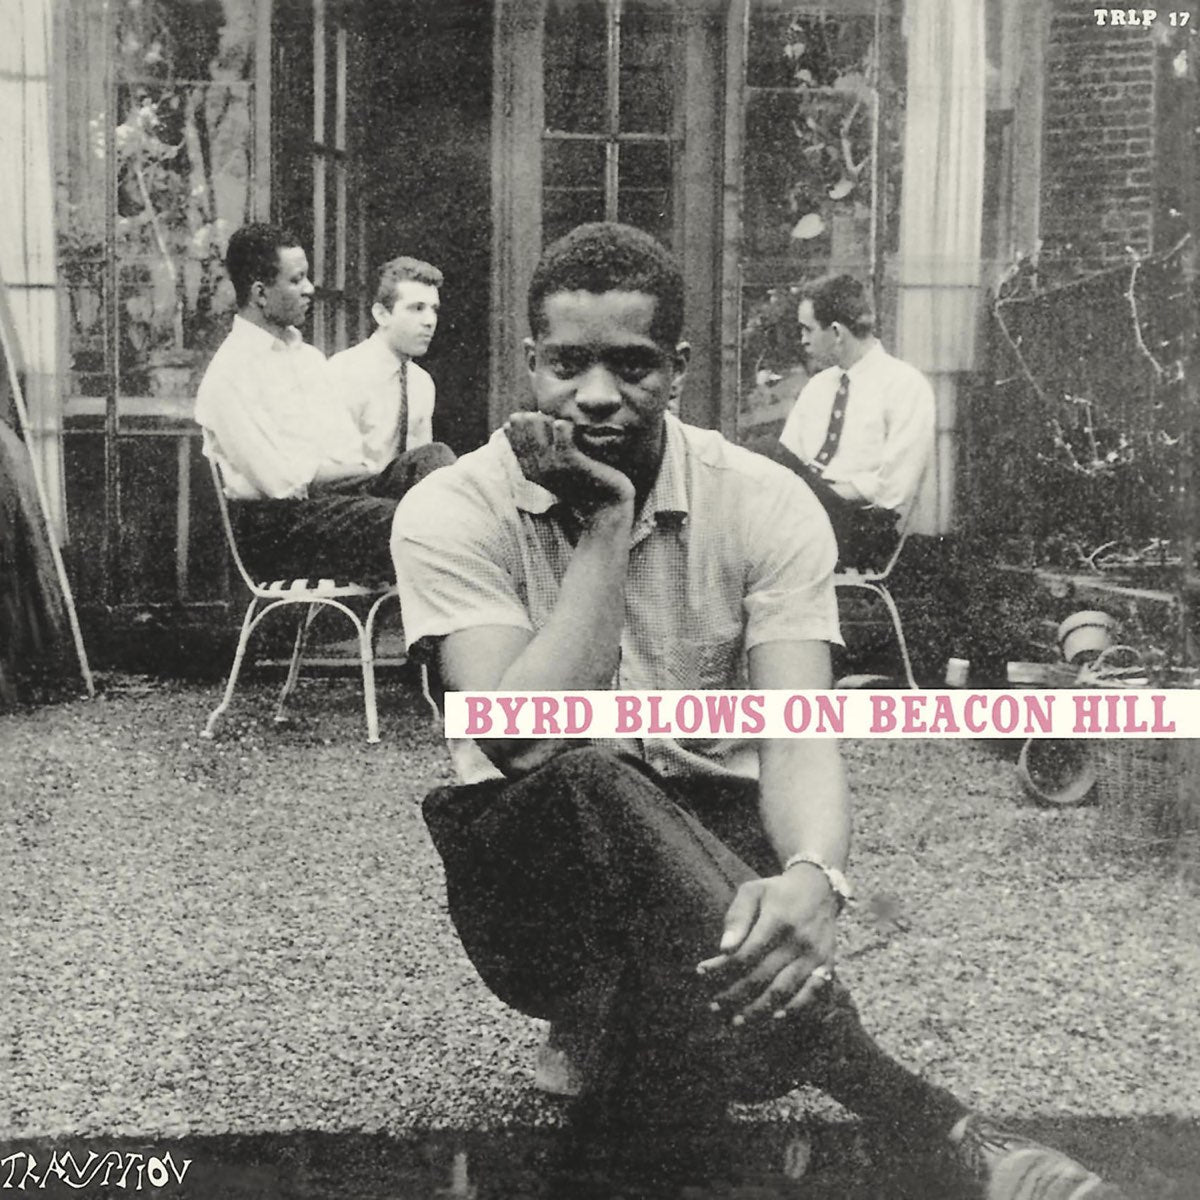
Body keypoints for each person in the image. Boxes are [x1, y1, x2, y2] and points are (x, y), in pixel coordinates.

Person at [390, 222, 1125, 1199]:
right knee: (590, 775)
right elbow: (523, 741)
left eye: (632, 365)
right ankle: (929, 1123)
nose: (597, 394)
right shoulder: (452, 508)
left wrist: (817, 879)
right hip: (534, 887)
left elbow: (798, 735)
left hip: (716, 876)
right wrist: (607, 523)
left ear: (680, 368)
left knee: (680, 1038)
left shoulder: (764, 502)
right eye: (567, 365)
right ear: (531, 361)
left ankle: (618, 1031)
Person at [195, 224, 452, 582]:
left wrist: (359, 473)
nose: (309, 289)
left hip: (333, 503)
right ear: (260, 293)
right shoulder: (230, 374)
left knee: (432, 460)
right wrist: (361, 474)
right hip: (279, 529)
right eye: (296, 280)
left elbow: (344, 451)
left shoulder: (308, 359)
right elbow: (285, 484)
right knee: (411, 519)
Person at [770, 274, 935, 569]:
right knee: (756, 458)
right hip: (805, 514)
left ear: (836, 332)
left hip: (863, 527)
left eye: (807, 329)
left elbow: (894, 489)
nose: (802, 340)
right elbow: (785, 459)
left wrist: (818, 493)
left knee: (762, 452)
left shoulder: (905, 385)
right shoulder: (818, 386)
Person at [327, 256, 455, 478]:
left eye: (434, 309)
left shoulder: (421, 382)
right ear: (382, 315)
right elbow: (332, 466)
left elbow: (420, 468)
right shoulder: (345, 371)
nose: (430, 320)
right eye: (417, 308)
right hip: (352, 491)